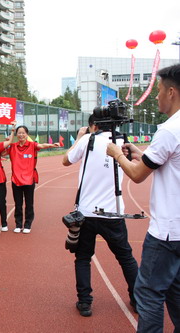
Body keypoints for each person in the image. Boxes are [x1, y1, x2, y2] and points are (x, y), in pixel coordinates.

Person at [106, 63, 180, 332]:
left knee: (148, 294)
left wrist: (117, 154)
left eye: (159, 90)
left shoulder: (169, 130)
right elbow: (161, 162)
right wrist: (138, 152)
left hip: (166, 233)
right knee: (175, 292)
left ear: (171, 92)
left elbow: (137, 175)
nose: (157, 95)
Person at [62, 115, 138, 317]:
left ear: (94, 125)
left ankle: (85, 302)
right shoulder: (124, 143)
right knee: (126, 258)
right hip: (113, 212)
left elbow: (65, 161)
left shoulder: (88, 140)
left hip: (87, 212)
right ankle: (138, 300)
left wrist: (79, 137)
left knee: (83, 258)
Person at [6, 126, 60, 234]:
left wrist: (52, 145)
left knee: (29, 203)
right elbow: (1, 152)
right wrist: (7, 142)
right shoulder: (12, 147)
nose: (21, 135)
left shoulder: (32, 145)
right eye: (19, 133)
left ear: (27, 134)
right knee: (18, 204)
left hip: (29, 179)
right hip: (16, 180)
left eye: (23, 133)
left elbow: (42, 145)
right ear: (16, 135)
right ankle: (18, 224)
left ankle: (27, 224)